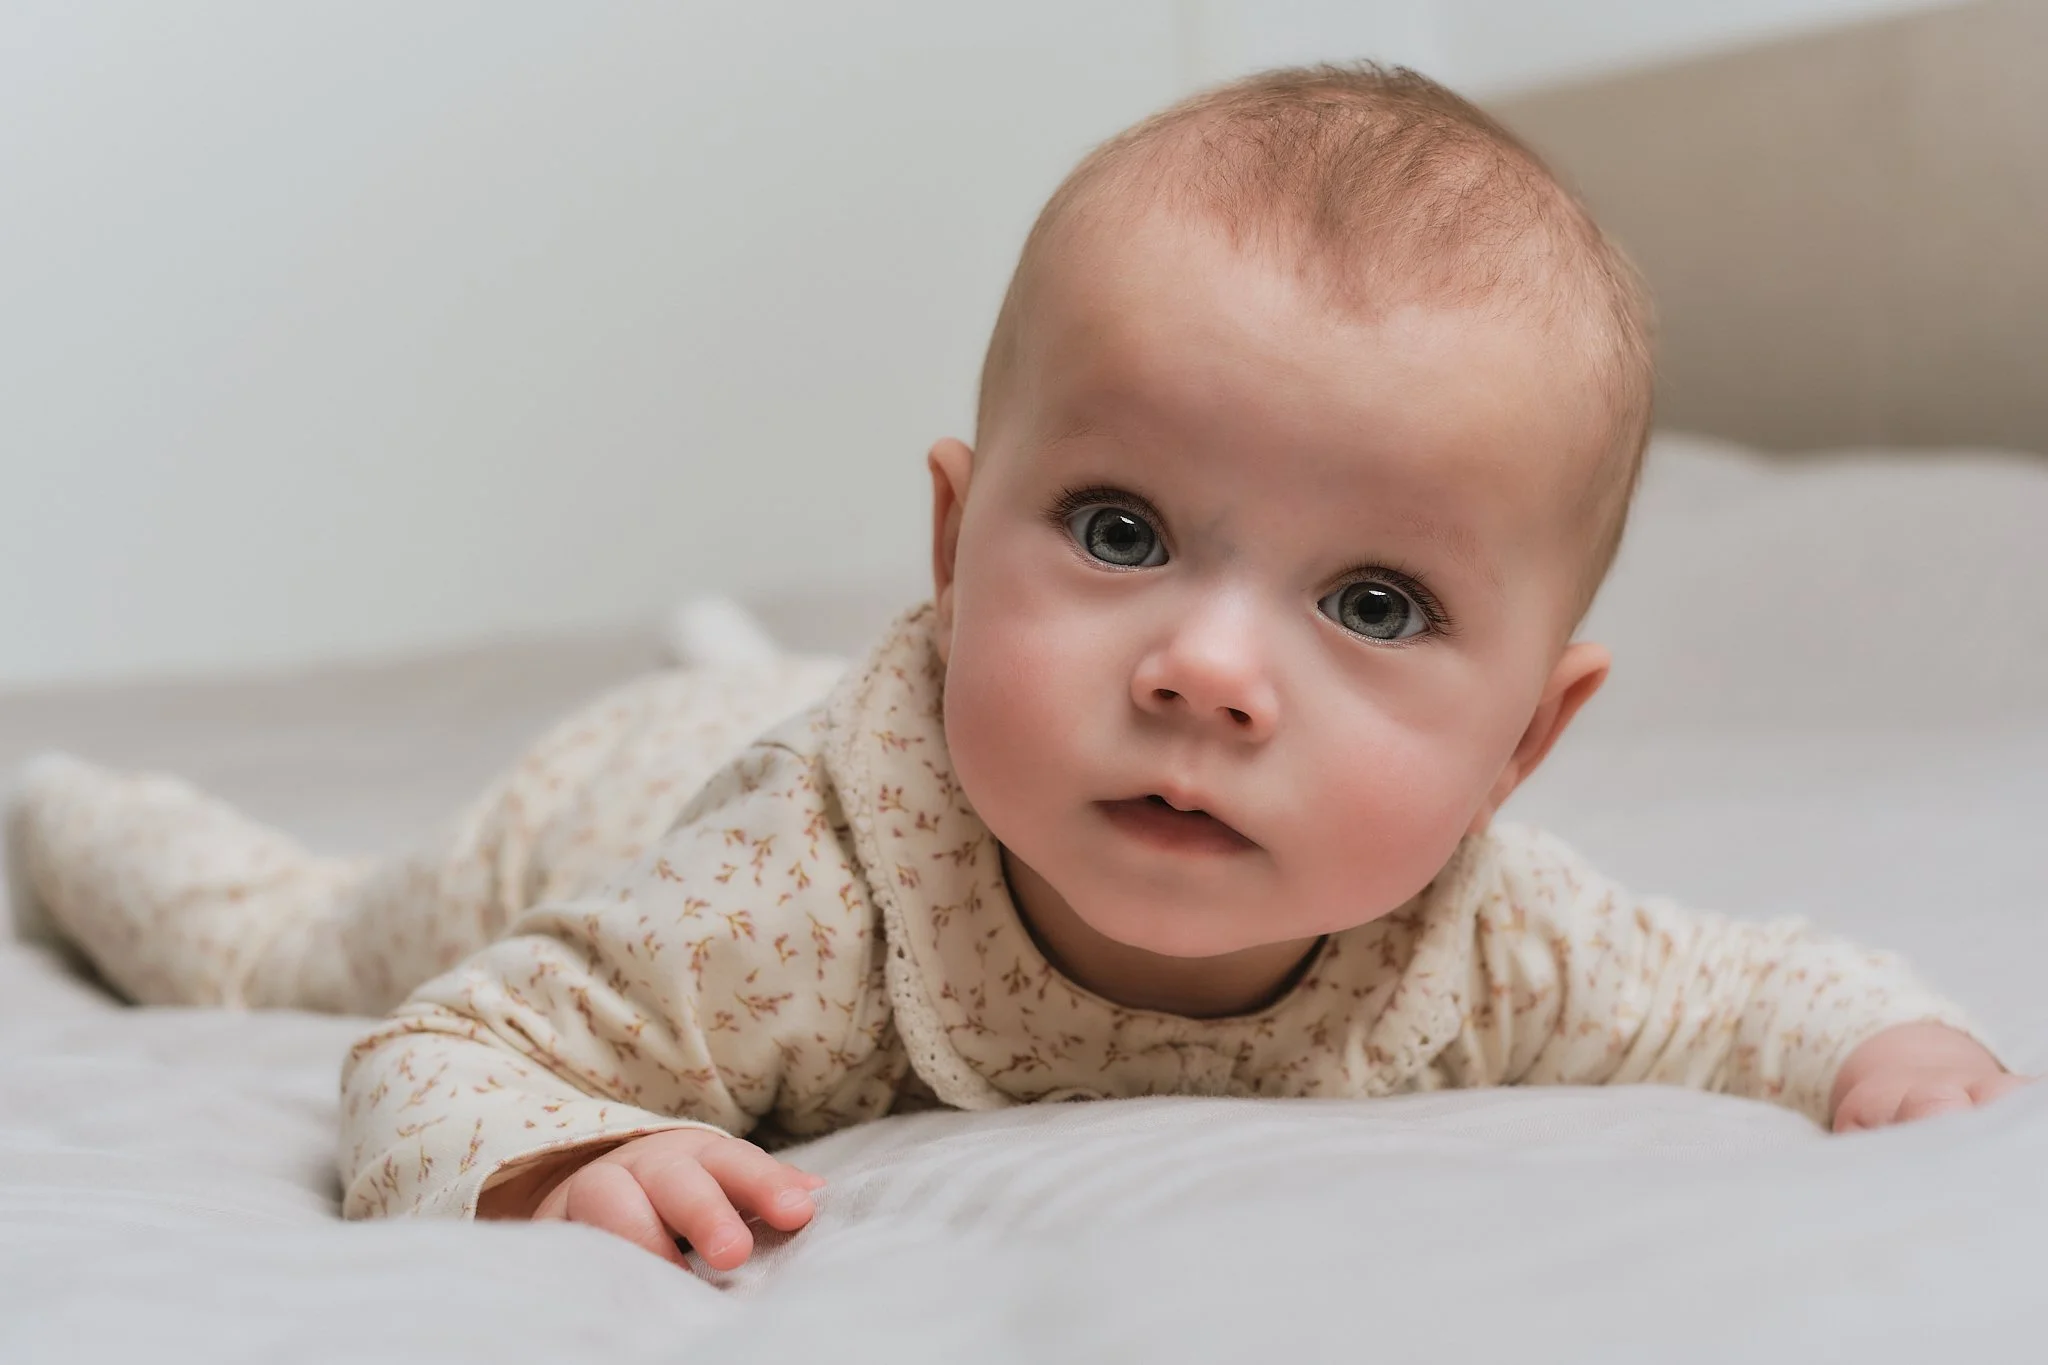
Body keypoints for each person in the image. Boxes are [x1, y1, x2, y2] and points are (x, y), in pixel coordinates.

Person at [12, 64, 2026, 1274]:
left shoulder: (1490, 947)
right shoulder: (773, 903)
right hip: (624, 801)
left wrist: (1886, 1051)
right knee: (284, 948)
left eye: (1377, 605)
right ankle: (66, 804)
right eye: (1123, 534)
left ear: (1525, 742)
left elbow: (1752, 986)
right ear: (957, 548)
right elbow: (437, 1053)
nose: (1210, 671)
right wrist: (566, 1152)